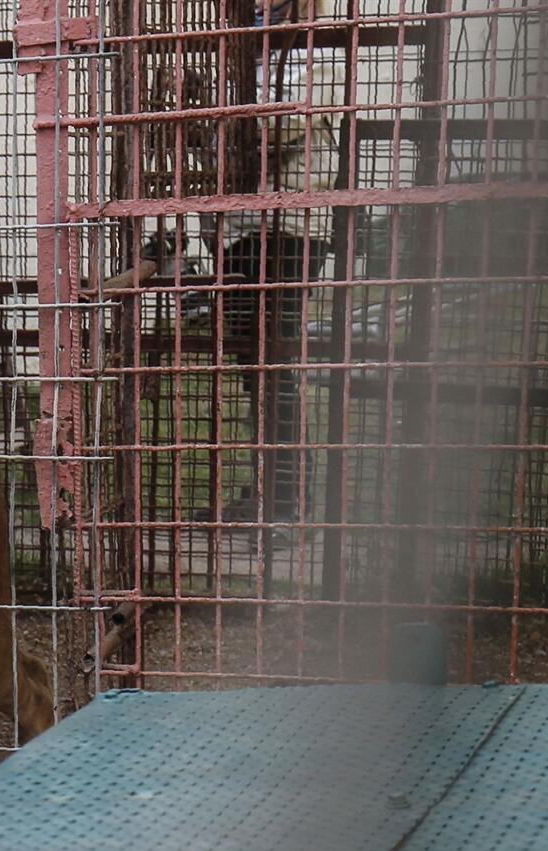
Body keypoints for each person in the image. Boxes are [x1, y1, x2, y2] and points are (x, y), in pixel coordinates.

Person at [219, 0, 339, 524]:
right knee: (253, 367)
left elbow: (279, 129)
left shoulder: (323, 50)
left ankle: (290, 499)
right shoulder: (238, 59)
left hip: (291, 232)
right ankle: (266, 489)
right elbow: (223, 140)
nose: (265, 10)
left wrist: (226, 127)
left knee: (279, 365)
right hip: (240, 231)